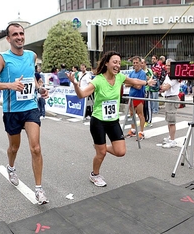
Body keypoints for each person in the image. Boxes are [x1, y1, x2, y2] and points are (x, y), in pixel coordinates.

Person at [66, 51, 155, 187]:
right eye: (115, 62)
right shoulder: (98, 80)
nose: (117, 65)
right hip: (98, 121)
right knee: (101, 154)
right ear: (107, 63)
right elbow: (82, 95)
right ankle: (94, 174)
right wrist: (75, 85)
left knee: (120, 152)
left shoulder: (119, 77)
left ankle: (101, 147)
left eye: (119, 63)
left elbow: (134, 81)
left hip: (113, 121)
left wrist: (147, 82)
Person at [0, 23, 49, 205]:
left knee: (35, 148)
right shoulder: (2, 58)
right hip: (12, 111)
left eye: (21, 33)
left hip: (30, 108)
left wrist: (40, 89)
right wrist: (10, 85)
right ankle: (11, 167)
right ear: (9, 38)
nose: (19, 37)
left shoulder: (31, 56)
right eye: (15, 34)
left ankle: (39, 189)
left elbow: (32, 79)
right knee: (14, 147)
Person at [160, 59, 180, 148]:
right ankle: (170, 137)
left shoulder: (175, 75)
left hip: (173, 99)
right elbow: (163, 86)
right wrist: (163, 87)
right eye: (167, 65)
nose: (167, 67)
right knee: (169, 120)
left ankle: (172, 140)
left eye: (169, 65)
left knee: (172, 121)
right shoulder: (168, 75)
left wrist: (163, 87)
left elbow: (166, 87)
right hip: (168, 98)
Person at [126, 56, 147, 141]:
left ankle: (141, 132)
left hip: (139, 96)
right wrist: (133, 84)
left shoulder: (142, 73)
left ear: (140, 63)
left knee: (140, 115)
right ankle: (133, 129)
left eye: (137, 63)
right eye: (134, 63)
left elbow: (139, 86)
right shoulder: (131, 73)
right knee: (131, 114)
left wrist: (132, 84)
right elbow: (126, 84)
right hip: (131, 96)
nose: (135, 64)